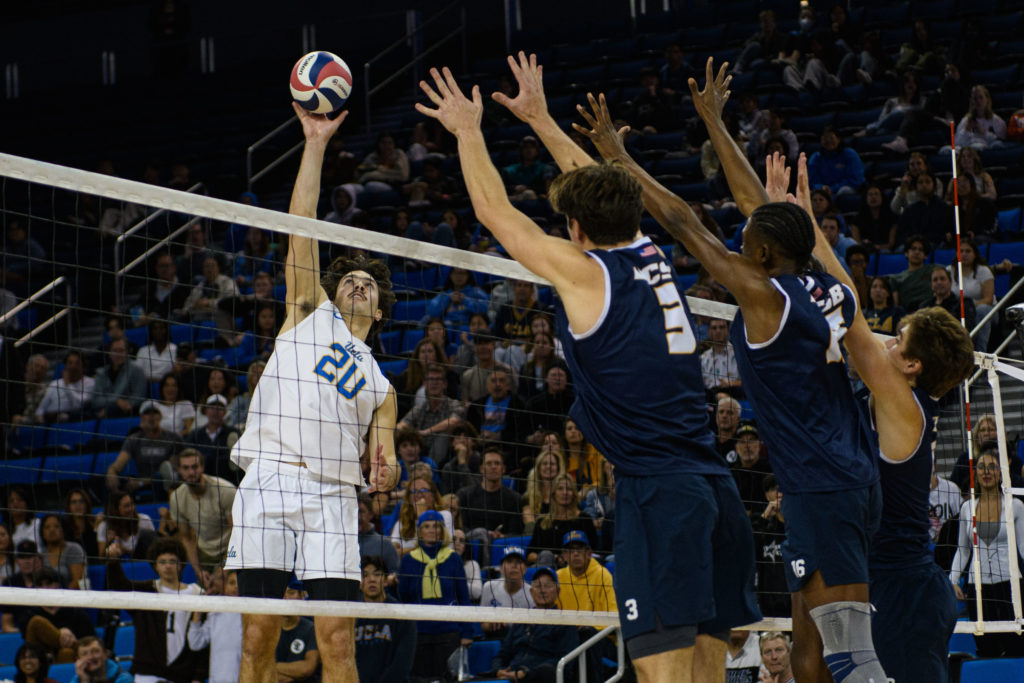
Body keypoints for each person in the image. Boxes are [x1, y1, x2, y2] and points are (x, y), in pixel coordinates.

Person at [417, 53, 757, 682]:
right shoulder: (650, 251)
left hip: (660, 495)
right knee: (710, 673)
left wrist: (468, 130)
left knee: (664, 676)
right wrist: (543, 119)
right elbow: (604, 185)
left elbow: (498, 217)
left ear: (575, 229)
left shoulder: (585, 274)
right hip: (714, 491)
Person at [580, 58, 887, 682]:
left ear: (766, 256)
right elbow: (763, 209)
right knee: (808, 647)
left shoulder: (765, 294)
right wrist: (717, 124)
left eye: (749, 244)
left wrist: (620, 161)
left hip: (824, 487)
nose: (741, 246)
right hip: (840, 480)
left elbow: (684, 224)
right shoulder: (834, 287)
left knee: (850, 652)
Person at [777, 152, 975, 682]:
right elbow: (853, 313)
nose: (886, 340)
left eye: (899, 340)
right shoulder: (898, 398)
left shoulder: (905, 407)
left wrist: (802, 228)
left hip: (903, 587)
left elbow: (853, 318)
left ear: (912, 365)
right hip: (873, 573)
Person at [223, 103, 399, 683]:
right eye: (349, 276)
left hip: (331, 495)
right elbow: (302, 221)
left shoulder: (379, 380)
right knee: (256, 635)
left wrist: (389, 454)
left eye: (368, 284)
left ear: (380, 309)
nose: (356, 282)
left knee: (338, 642)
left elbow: (385, 429)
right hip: (270, 475)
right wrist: (315, 142)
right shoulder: (308, 313)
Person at [950, 450, 1024, 658]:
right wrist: (953, 580)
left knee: (1016, 647)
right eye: (982, 467)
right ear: (976, 473)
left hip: (1010, 587)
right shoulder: (967, 508)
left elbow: (1023, 548)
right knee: (985, 648)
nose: (987, 472)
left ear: (1001, 473)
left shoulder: (1015, 506)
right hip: (978, 588)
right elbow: (963, 550)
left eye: (992, 467)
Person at [104, 538, 205, 683]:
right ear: (155, 566)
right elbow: (120, 586)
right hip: (148, 672)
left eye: (172, 561)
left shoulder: (198, 594)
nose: (168, 566)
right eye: (162, 562)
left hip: (182, 673)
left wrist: (198, 676)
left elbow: (203, 641)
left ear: (181, 565)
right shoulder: (147, 591)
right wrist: (113, 561)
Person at [397, 510, 473, 681]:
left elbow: (463, 597)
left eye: (436, 526)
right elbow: (403, 600)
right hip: (419, 634)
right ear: (419, 531)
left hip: (449, 633)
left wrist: (467, 631)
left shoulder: (453, 558)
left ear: (442, 531)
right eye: (426, 526)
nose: (431, 530)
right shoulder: (408, 561)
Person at [488, 566, 578, 683]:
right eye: (538, 586)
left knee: (547, 671)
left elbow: (564, 661)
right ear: (531, 591)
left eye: (548, 585)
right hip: (512, 675)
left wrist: (526, 674)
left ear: (558, 591)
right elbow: (502, 654)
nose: (542, 590)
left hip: (540, 677)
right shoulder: (522, 620)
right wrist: (498, 670)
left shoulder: (565, 622)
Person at [162, 448, 235, 584]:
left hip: (230, 549)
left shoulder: (226, 490)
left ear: (202, 467)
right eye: (186, 468)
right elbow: (186, 538)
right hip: (204, 553)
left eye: (195, 467)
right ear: (179, 470)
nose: (191, 472)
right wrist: (198, 570)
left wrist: (227, 565)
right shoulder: (177, 497)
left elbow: (238, 533)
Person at [354, 556, 416, 683]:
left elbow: (402, 663)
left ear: (386, 580)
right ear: (359, 582)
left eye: (377, 575)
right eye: (365, 575)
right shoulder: (350, 615)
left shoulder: (402, 615)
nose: (371, 579)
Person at [106, 401, 183, 496]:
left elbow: (172, 472)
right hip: (140, 483)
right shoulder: (134, 439)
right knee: (110, 479)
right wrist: (111, 472)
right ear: (141, 417)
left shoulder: (173, 438)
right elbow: (119, 464)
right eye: (147, 413)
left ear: (160, 416)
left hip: (164, 485)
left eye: (155, 413)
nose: (151, 417)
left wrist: (141, 482)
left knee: (161, 477)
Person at [396, 362, 466, 464]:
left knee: (443, 436)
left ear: (445, 384)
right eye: (430, 380)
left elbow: (454, 422)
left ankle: (432, 469)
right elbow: (401, 425)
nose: (434, 383)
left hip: (445, 454)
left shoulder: (454, 404)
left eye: (438, 379)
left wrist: (427, 431)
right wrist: (406, 431)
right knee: (395, 433)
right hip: (419, 449)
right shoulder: (420, 409)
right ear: (424, 383)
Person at [22, 568, 95, 661]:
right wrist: (61, 633)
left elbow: (90, 641)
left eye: (48, 583)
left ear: (57, 585)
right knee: (36, 622)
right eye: (40, 585)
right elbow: (29, 643)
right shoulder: (29, 613)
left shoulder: (75, 612)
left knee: (66, 653)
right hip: (41, 659)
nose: (44, 588)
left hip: (74, 657)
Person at [187, 569, 243, 683]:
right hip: (218, 678)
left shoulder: (252, 614)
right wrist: (198, 611)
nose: (236, 587)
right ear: (225, 586)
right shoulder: (215, 613)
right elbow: (195, 643)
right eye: (232, 583)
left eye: (240, 584)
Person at [183, 395, 240, 483]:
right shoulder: (195, 434)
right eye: (212, 408)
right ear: (206, 411)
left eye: (219, 408)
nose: (215, 412)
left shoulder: (233, 433)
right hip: (200, 475)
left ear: (225, 412)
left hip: (225, 477)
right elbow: (187, 452)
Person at [480, 546, 534, 639]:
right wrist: (491, 624)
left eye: (518, 562)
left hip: (523, 639)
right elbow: (482, 625)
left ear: (525, 569)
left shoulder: (532, 593)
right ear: (501, 568)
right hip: (497, 635)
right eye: (509, 562)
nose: (514, 566)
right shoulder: (489, 587)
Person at [555, 531, 615, 613]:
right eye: (571, 549)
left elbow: (612, 612)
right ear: (564, 555)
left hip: (596, 625)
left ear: (589, 553)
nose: (575, 553)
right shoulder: (558, 576)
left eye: (579, 548)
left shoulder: (603, 575)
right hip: (565, 625)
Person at [273, 583, 320, 683]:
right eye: (282, 594)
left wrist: (273, 666)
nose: (285, 598)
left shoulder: (311, 629)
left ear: (301, 596)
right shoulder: (269, 630)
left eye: (291, 593)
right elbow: (260, 667)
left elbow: (307, 668)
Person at [93, 338, 148, 419]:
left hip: (128, 413)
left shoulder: (137, 370)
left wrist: (120, 405)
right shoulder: (101, 373)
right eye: (115, 350)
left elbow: (139, 397)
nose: (118, 354)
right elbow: (96, 400)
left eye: (121, 351)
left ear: (127, 352)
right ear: (109, 353)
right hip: (102, 412)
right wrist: (116, 401)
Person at [34, 351, 94, 423]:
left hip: (76, 422)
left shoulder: (90, 383)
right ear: (65, 366)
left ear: (83, 366)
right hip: (52, 423)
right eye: (70, 363)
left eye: (77, 363)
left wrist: (68, 384)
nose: (73, 366)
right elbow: (40, 410)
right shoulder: (55, 384)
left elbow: (77, 405)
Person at [806, 126, 864, 196]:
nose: (828, 141)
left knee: (844, 191)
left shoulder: (850, 154)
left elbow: (855, 180)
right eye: (825, 138)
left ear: (838, 139)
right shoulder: (816, 157)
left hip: (843, 189)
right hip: (822, 191)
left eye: (831, 137)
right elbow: (810, 181)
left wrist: (832, 189)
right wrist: (821, 187)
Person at [96, 493, 156, 560]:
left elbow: (154, 551)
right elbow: (101, 557)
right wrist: (109, 543)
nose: (131, 508)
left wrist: (124, 550)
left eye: (132, 504)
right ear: (115, 510)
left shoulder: (144, 520)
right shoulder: (104, 526)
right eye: (126, 506)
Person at [356, 494, 400, 577]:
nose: (357, 517)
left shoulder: (385, 545)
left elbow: (395, 574)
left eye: (361, 512)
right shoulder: (339, 543)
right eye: (352, 512)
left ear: (371, 514)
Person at [39, 514, 85, 589]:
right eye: (47, 527)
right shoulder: (41, 553)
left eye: (56, 526)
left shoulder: (74, 549)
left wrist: (60, 596)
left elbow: (77, 581)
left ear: (63, 529)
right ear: (42, 533)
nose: (52, 530)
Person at [955, 85, 1007, 151]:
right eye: (975, 98)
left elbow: (1001, 140)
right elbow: (957, 143)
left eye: (981, 97)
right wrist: (967, 130)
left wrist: (984, 133)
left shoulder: (996, 120)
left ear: (987, 99)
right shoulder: (965, 121)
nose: (978, 101)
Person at [890, 235, 934, 312]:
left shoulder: (933, 270)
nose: (917, 252)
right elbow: (896, 306)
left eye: (920, 250)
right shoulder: (896, 278)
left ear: (926, 256)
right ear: (906, 253)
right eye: (913, 249)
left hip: (930, 311)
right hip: (908, 314)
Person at [700, 319, 741, 398]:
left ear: (728, 330)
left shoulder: (738, 355)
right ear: (709, 331)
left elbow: (749, 383)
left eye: (722, 327)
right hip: (710, 399)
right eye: (714, 328)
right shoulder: (703, 358)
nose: (718, 331)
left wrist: (732, 383)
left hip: (735, 397)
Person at [928, 266, 976, 333]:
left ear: (950, 283)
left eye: (942, 279)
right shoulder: (925, 306)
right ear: (931, 285)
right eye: (935, 280)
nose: (939, 282)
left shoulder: (963, 303)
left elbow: (966, 329)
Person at [850, 184, 897, 253]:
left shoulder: (892, 218)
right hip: (864, 250)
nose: (873, 197)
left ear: (882, 197)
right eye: (870, 194)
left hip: (885, 250)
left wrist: (876, 247)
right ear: (865, 198)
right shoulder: (857, 219)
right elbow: (856, 242)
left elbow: (891, 243)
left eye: (876, 194)